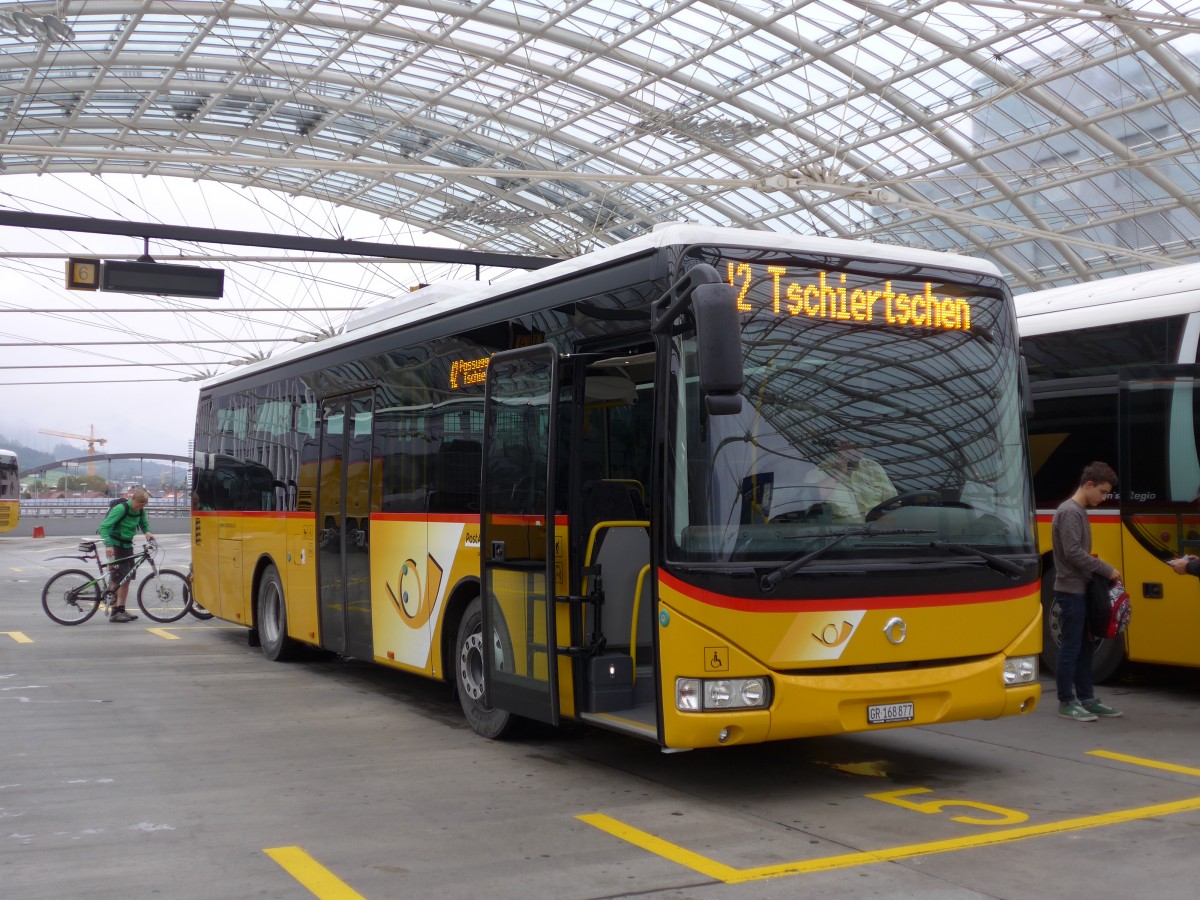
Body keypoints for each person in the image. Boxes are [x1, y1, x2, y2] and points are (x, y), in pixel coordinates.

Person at [1050, 461, 1123, 721]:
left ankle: (1086, 698)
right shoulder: (1070, 511)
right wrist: (1106, 569)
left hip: (1079, 588)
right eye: (1102, 492)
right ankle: (1067, 701)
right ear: (1089, 484)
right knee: (1072, 648)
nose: (1104, 498)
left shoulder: (1078, 511)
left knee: (1084, 647)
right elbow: (1073, 552)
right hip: (1071, 591)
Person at [98, 488, 156, 623]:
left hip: (127, 545)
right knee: (116, 578)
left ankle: (121, 609)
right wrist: (109, 545)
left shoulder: (140, 510)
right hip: (115, 545)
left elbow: (143, 523)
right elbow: (103, 527)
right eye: (137, 506)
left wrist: (147, 532)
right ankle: (114, 612)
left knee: (127, 578)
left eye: (142, 506)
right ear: (132, 500)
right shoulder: (121, 509)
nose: (138, 509)